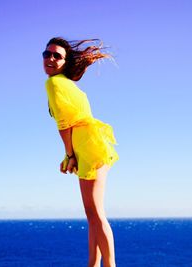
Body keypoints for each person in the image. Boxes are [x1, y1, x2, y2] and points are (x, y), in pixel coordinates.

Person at [43, 37, 119, 267]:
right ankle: (93, 264)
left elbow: (64, 124)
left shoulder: (54, 83)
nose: (51, 59)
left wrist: (69, 155)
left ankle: (109, 265)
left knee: (95, 213)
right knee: (93, 214)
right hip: (94, 142)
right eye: (47, 54)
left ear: (65, 62)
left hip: (86, 145)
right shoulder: (67, 84)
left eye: (57, 56)